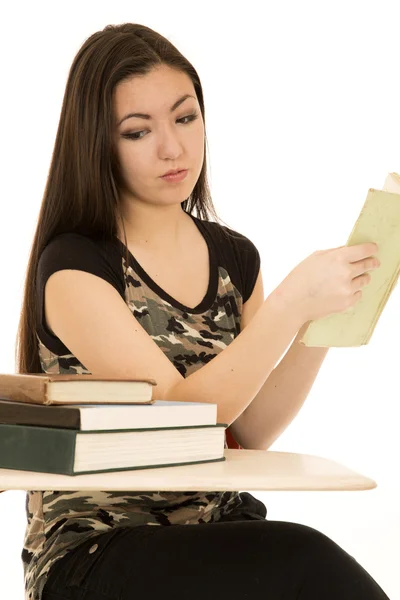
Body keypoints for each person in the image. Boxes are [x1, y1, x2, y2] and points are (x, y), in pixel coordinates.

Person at [15, 22, 390, 600]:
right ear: (98, 144)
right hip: (98, 550)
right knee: (303, 559)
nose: (173, 147)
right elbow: (184, 418)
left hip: (218, 531)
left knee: (298, 561)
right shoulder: (74, 268)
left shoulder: (234, 259)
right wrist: (290, 305)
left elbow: (247, 431)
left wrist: (326, 318)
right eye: (139, 131)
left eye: (186, 118)